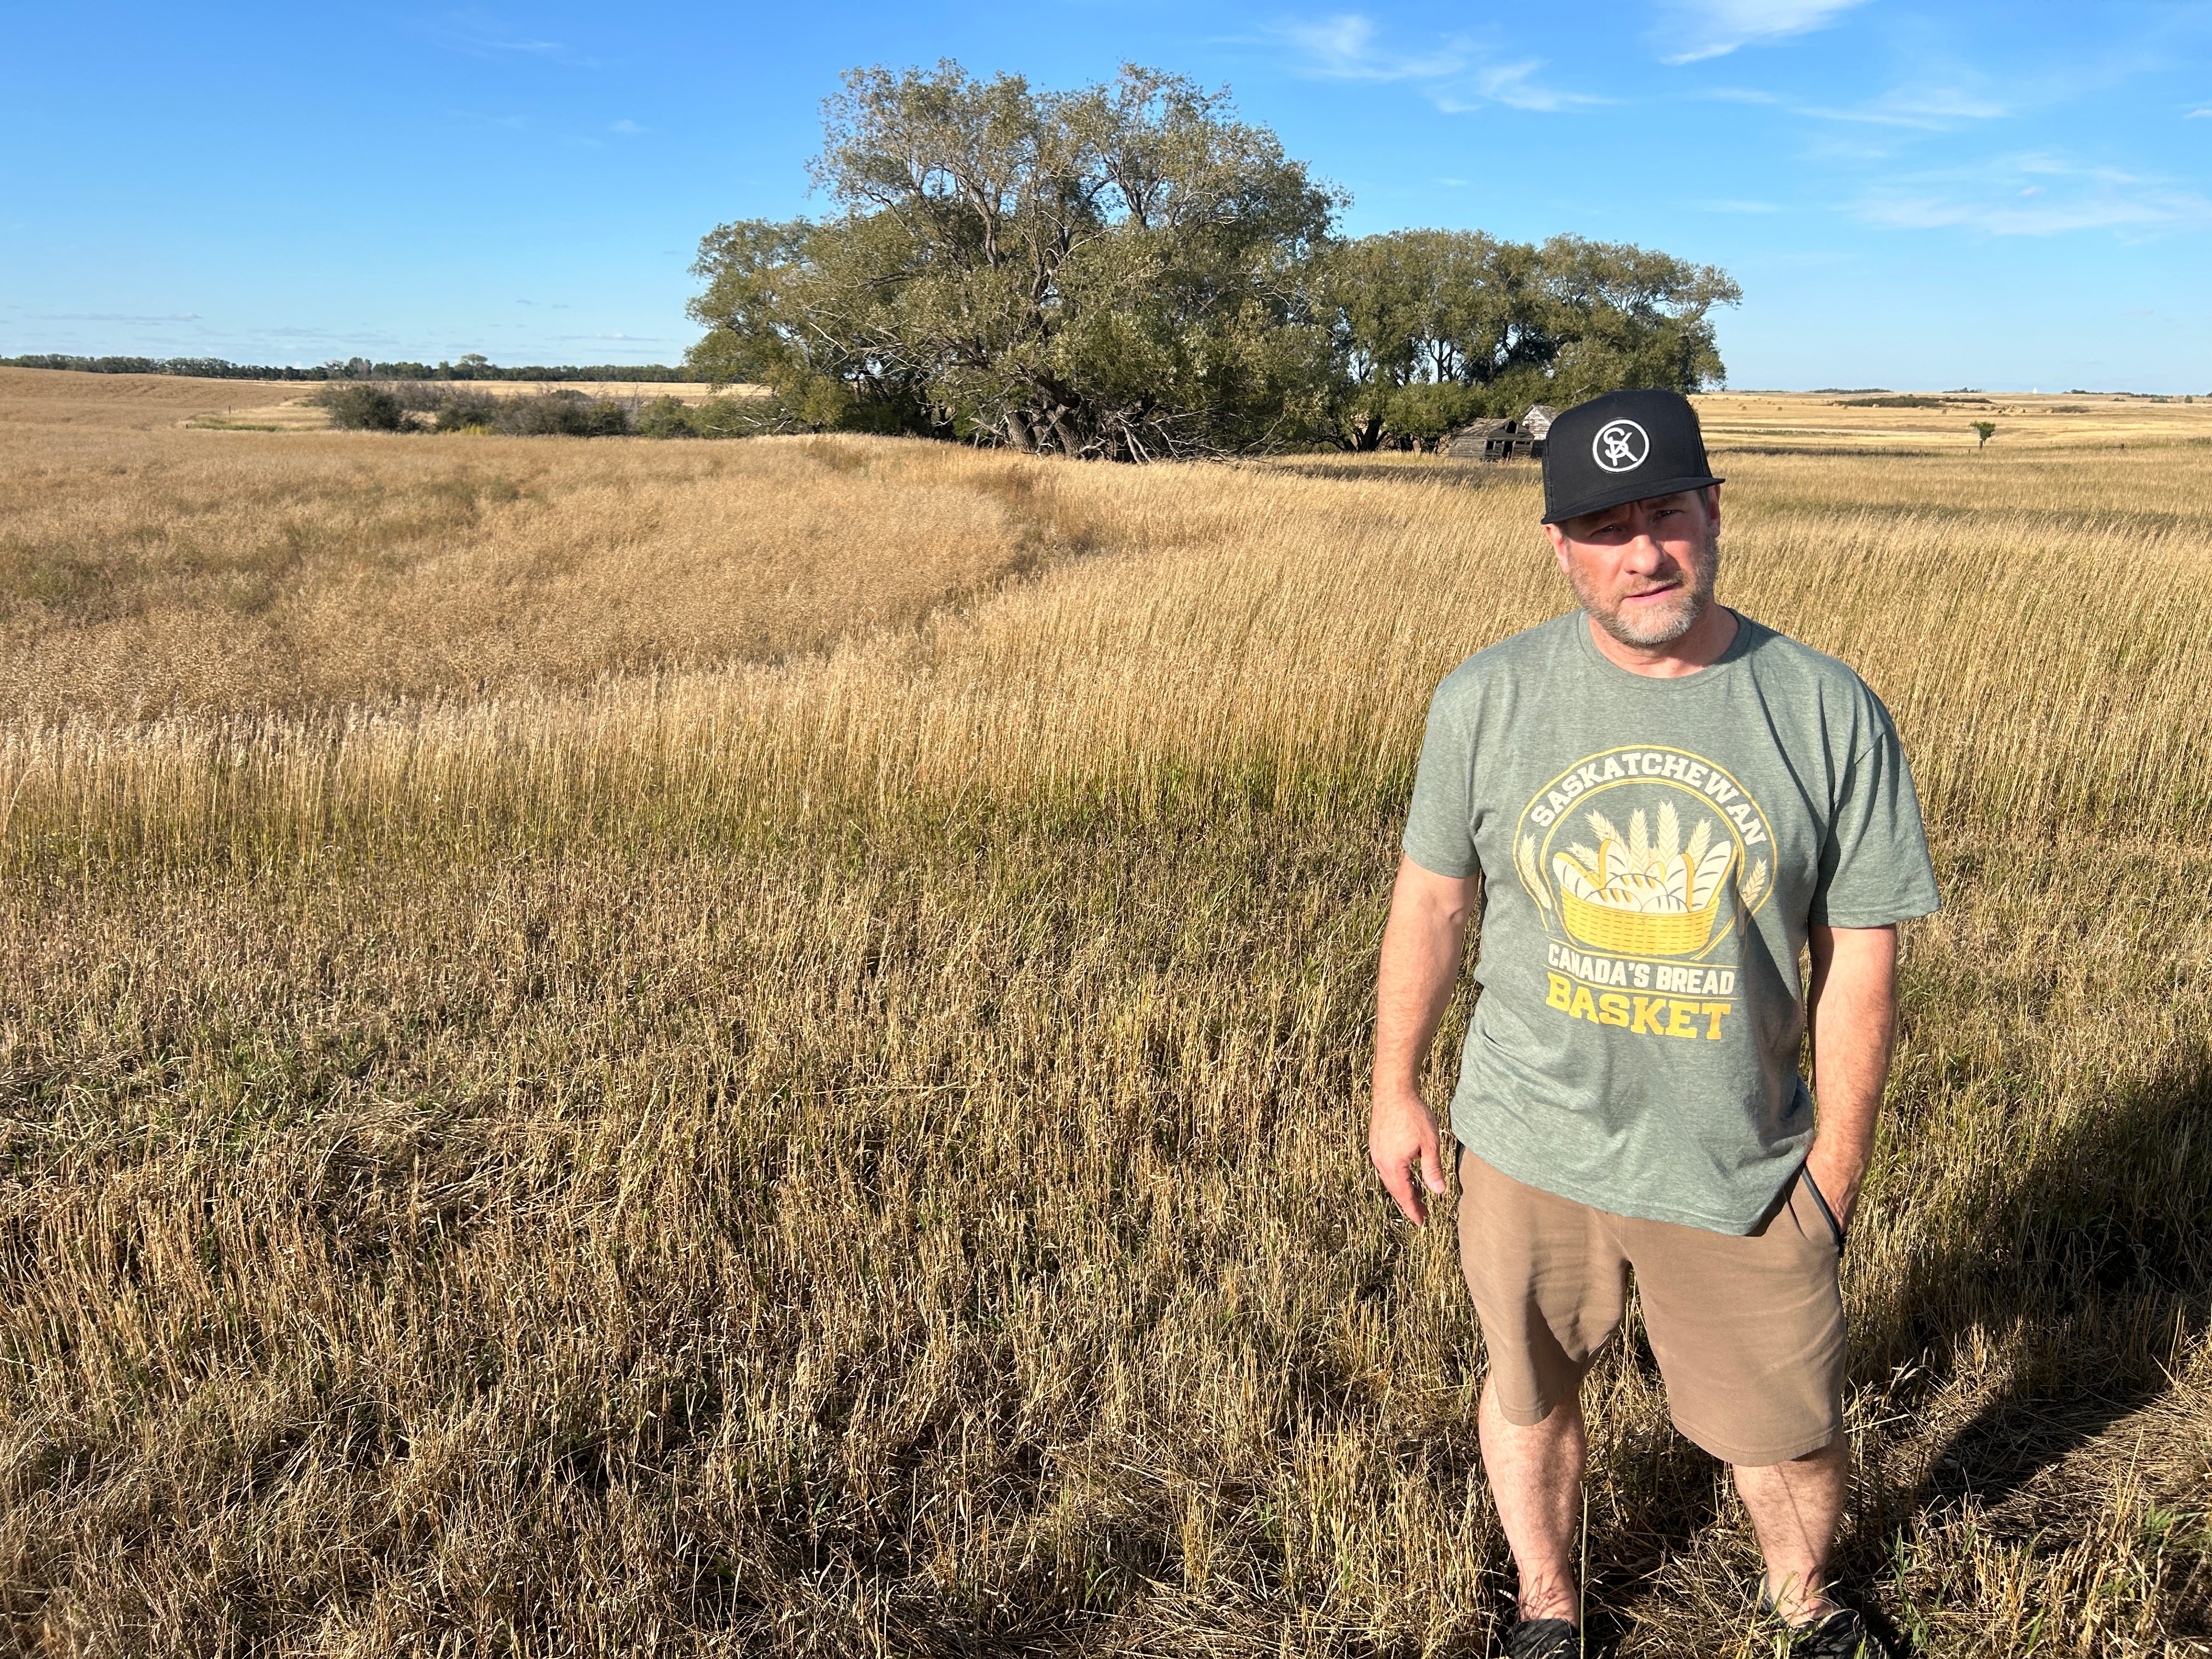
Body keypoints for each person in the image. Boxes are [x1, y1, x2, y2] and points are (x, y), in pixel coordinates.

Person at [1368, 389, 1938, 1659]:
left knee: (1786, 1422)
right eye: (1605, 524)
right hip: (1528, 1135)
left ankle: (1805, 1606)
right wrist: (1394, 1085)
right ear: (1557, 544)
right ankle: (1548, 1609)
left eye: (1667, 512)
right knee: (1528, 1386)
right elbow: (1434, 900)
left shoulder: (1826, 709)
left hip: (1735, 1155)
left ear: (1713, 513)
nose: (1644, 553)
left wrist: (1833, 1171)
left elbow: (1862, 956)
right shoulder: (1487, 697)